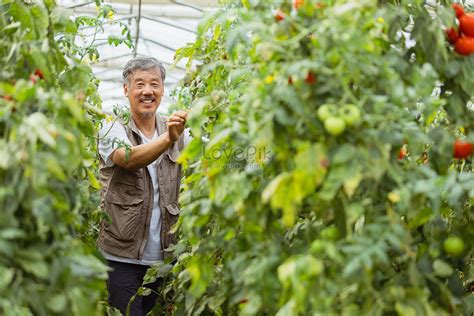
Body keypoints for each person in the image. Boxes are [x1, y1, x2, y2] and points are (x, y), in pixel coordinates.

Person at [97, 57, 190, 315]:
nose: (147, 91)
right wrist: (169, 138)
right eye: (139, 84)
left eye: (154, 84)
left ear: (162, 90)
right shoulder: (112, 128)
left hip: (161, 257)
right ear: (126, 89)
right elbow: (129, 159)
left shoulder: (179, 132)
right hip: (121, 256)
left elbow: (216, 153)